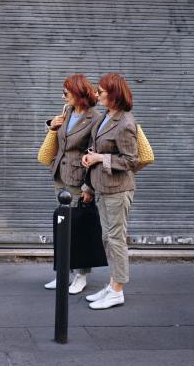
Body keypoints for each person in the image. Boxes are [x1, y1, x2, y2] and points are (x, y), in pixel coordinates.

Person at [82, 73, 138, 310]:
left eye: (101, 91)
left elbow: (131, 161)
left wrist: (100, 158)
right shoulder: (106, 116)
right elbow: (97, 146)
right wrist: (90, 160)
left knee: (116, 240)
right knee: (108, 238)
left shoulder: (125, 123)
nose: (96, 95)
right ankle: (113, 283)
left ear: (113, 94)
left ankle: (117, 291)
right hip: (103, 187)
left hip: (117, 190)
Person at [44, 74, 100, 294]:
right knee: (62, 227)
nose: (63, 96)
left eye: (66, 93)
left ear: (78, 93)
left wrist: (89, 187)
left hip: (79, 180)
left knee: (80, 229)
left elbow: (95, 153)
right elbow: (61, 137)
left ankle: (81, 275)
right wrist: (51, 124)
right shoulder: (67, 111)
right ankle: (62, 273)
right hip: (60, 176)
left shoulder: (95, 119)